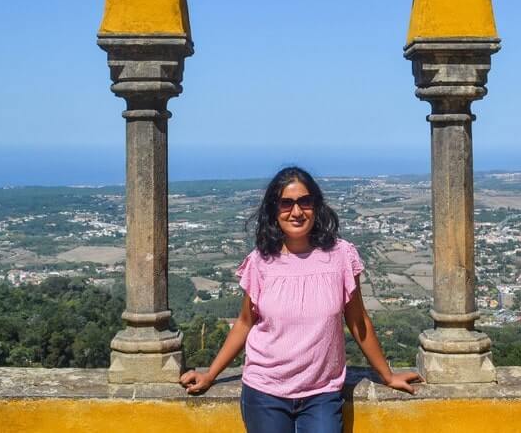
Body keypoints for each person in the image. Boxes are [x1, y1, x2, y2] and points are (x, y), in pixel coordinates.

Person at [179, 166, 420, 432]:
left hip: (322, 393)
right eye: (286, 203)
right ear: (274, 209)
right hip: (265, 390)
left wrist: (387, 375)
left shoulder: (341, 256)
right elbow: (245, 323)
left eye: (305, 202)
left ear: (316, 206)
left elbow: (358, 321)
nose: (296, 212)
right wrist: (210, 375)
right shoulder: (261, 261)